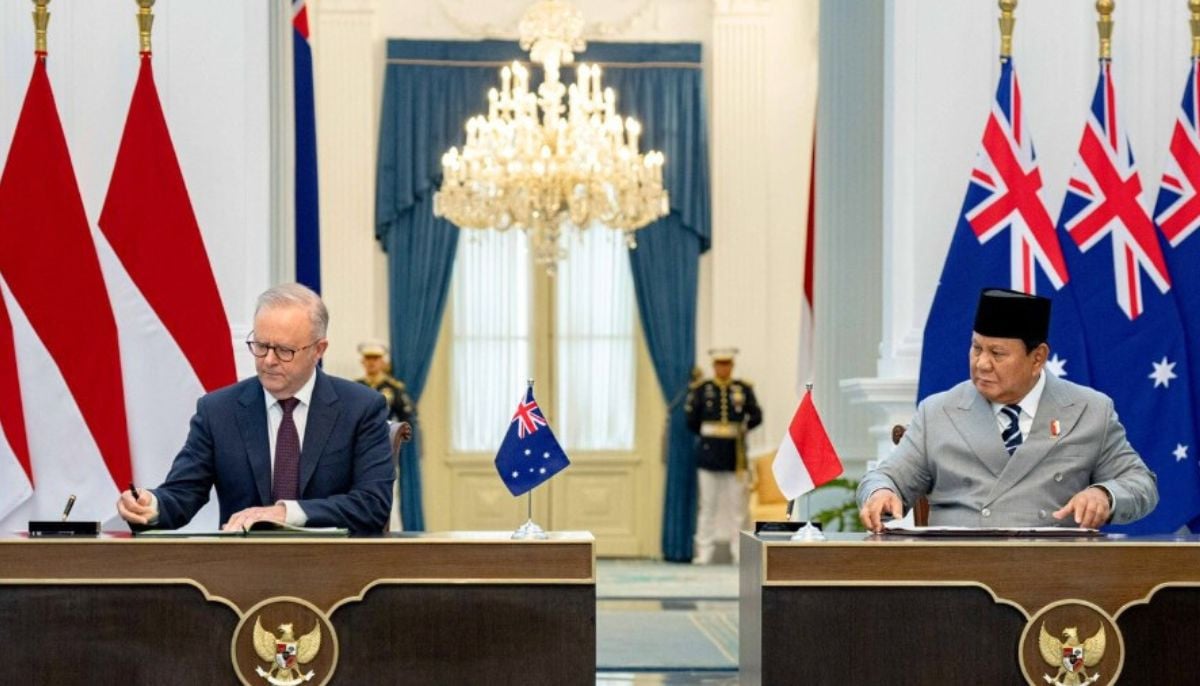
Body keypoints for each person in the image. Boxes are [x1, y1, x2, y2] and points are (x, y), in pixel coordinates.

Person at [858, 288, 1158, 532]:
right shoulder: (938, 412)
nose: (981, 363)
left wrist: (1105, 495)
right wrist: (881, 493)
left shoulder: (1090, 410)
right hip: (960, 574)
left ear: (1037, 358)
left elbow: (1141, 484)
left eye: (997, 353)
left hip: (1055, 573)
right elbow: (886, 477)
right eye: (977, 348)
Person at [116, 283, 394, 534]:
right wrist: (150, 505)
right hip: (241, 568)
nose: (268, 360)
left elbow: (372, 504)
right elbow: (182, 495)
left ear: (318, 350)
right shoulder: (218, 411)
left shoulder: (361, 408)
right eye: (261, 346)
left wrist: (285, 513)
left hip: (331, 567)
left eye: (284, 350)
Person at [685, 348, 762, 564]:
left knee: (738, 507)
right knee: (707, 505)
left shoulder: (743, 389)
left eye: (727, 364)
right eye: (719, 364)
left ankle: (739, 551)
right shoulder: (702, 389)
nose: (723, 368)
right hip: (709, 453)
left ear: (732, 365)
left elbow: (756, 415)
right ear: (714, 366)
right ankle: (704, 551)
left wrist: (743, 428)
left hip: (734, 454)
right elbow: (691, 420)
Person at [354, 340, 414, 426]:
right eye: (368, 358)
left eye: (375, 358)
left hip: (385, 432)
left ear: (382, 362)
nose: (371, 362)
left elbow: (406, 417)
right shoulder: (356, 387)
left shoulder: (393, 387)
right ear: (362, 362)